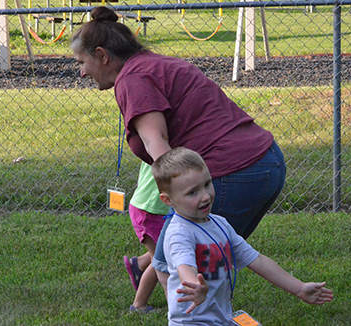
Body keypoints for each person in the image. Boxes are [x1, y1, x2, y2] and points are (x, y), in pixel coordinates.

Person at [71, 6, 286, 295]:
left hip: (233, 172)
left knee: (186, 267)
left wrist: (175, 199)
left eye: (82, 62)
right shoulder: (152, 64)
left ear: (102, 55)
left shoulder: (132, 79)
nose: (82, 72)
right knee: (207, 256)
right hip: (266, 161)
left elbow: (157, 144)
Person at [151, 147, 333, 325]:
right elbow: (184, 264)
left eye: (207, 184)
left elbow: (257, 260)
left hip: (221, 317)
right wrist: (194, 285)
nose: (205, 196)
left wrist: (299, 288)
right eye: (192, 192)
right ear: (167, 200)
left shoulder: (219, 223)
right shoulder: (179, 232)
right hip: (192, 322)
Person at [124, 162, 168, 312]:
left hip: (157, 209)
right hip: (150, 211)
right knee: (163, 262)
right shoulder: (161, 143)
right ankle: (139, 305)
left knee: (163, 255)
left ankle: (141, 263)